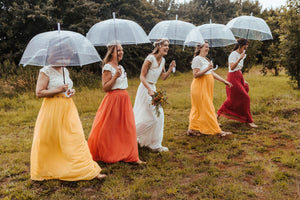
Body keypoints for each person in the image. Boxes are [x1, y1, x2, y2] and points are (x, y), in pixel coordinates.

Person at [31, 44, 105, 181]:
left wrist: (70, 91)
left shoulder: (65, 71)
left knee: (75, 138)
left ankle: (85, 169)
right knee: (52, 140)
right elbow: (39, 92)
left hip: (68, 107)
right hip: (52, 109)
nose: (67, 61)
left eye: (69, 58)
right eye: (65, 57)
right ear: (56, 55)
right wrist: (59, 90)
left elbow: (66, 88)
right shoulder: (45, 71)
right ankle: (53, 167)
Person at [88, 42, 145, 164]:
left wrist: (119, 74)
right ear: (111, 52)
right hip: (113, 100)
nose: (121, 52)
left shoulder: (121, 67)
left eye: (122, 50)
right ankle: (109, 152)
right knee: (111, 128)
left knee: (127, 127)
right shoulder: (107, 67)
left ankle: (132, 155)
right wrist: (115, 77)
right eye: (118, 50)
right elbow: (105, 87)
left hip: (124, 99)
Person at [133, 38, 176, 152]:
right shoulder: (150, 58)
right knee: (151, 118)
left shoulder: (163, 60)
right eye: (165, 45)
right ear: (159, 46)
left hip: (154, 89)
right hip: (145, 89)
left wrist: (170, 69)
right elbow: (141, 76)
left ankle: (155, 144)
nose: (167, 48)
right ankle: (130, 135)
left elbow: (163, 77)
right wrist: (149, 89)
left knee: (159, 116)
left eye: (168, 46)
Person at [187, 41, 232, 137]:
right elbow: (195, 75)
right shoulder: (197, 59)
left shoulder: (205, 59)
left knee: (198, 109)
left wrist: (224, 81)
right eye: (206, 47)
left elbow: (212, 73)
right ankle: (218, 131)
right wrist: (207, 68)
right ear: (200, 48)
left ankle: (191, 129)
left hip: (206, 88)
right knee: (208, 108)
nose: (208, 48)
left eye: (208, 47)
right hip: (199, 87)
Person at [217, 38, 258, 128]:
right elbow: (231, 67)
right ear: (240, 46)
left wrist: (243, 79)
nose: (245, 49)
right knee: (244, 98)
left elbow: (239, 69)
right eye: (244, 47)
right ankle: (249, 121)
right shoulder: (233, 54)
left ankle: (218, 117)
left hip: (239, 76)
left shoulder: (242, 54)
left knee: (237, 97)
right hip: (232, 77)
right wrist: (239, 59)